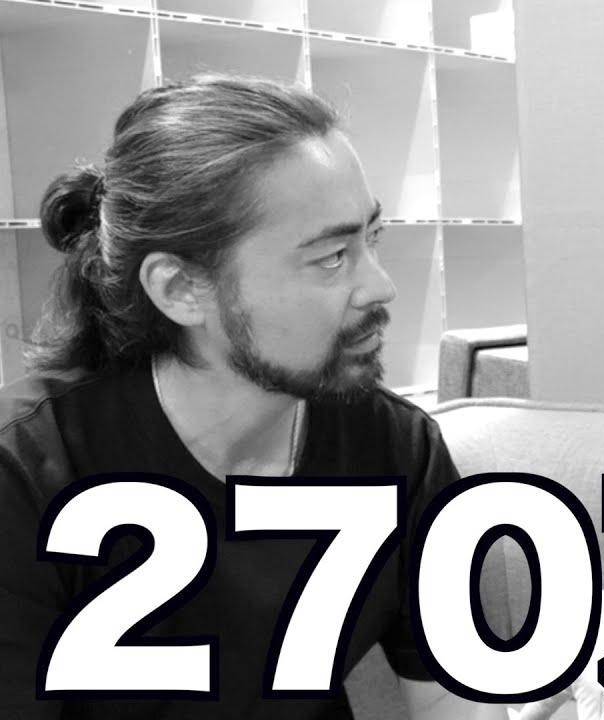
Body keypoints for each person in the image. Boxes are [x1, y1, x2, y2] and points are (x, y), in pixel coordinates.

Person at [0, 74, 503, 719]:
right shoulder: (26, 471)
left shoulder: (396, 445)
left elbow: (447, 697)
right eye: (331, 257)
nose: (381, 287)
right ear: (180, 288)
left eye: (370, 240)